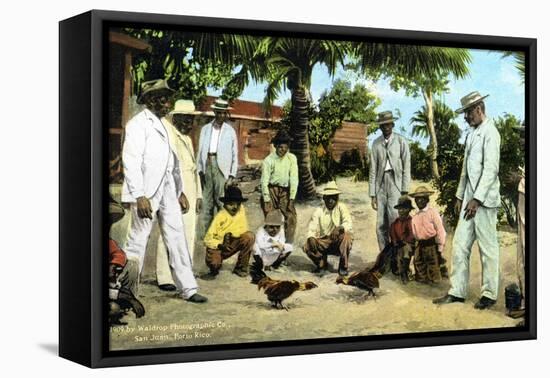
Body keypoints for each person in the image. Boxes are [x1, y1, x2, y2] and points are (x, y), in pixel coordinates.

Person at [121, 79, 207, 304]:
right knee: (137, 240)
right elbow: (130, 160)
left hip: (168, 188)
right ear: (150, 100)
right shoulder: (137, 125)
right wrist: (139, 195)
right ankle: (127, 291)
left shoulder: (165, 125)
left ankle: (188, 288)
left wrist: (179, 191)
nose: (167, 102)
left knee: (177, 237)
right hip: (146, 192)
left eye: (167, 98)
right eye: (162, 98)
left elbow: (173, 161)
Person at [433, 91, 501, 310]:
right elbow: (465, 170)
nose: (465, 117)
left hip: (484, 201)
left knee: (488, 249)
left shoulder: (491, 133)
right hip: (469, 201)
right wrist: (460, 196)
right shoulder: (472, 134)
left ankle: (489, 294)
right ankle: (457, 291)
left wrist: (477, 200)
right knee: (460, 245)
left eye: (468, 113)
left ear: (478, 109)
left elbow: (491, 170)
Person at [155, 99, 203, 292]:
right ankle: (165, 276)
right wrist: (178, 192)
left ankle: (183, 273)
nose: (188, 124)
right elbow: (167, 168)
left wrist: (198, 195)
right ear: (175, 118)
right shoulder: (169, 136)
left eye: (190, 120)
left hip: (190, 188)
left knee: (188, 233)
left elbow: (194, 170)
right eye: (184, 119)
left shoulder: (188, 139)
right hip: (174, 189)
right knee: (168, 230)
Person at [369, 110, 411, 251]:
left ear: (392, 125)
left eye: (388, 124)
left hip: (396, 183)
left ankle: (397, 256)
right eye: (383, 125)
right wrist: (373, 194)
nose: (386, 127)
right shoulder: (376, 144)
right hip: (381, 184)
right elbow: (373, 170)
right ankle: (385, 256)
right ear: (380, 127)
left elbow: (407, 166)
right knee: (380, 224)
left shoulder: (401, 141)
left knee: (395, 220)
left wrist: (404, 190)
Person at [197, 98, 238, 235]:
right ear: (214, 112)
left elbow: (234, 154)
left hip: (222, 168)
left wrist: (231, 175)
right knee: (207, 203)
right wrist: (200, 170)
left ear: (227, 114)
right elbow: (200, 150)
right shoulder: (205, 129)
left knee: (221, 202)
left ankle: (221, 234)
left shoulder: (230, 131)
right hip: (208, 164)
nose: (221, 116)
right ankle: (207, 235)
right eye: (219, 112)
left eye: (224, 113)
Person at [201, 186, 255, 280]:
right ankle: (213, 270)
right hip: (218, 246)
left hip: (231, 243)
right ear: (224, 204)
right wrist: (221, 245)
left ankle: (240, 267)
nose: (235, 207)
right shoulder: (220, 216)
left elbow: (243, 230)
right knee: (214, 263)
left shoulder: (240, 211)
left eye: (238, 204)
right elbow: (208, 239)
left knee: (249, 236)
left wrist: (230, 236)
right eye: (231, 204)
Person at [304, 181, 353, 276]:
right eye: (328, 197)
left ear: (337, 198)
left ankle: (343, 266)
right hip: (325, 241)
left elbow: (348, 223)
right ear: (324, 198)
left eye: (334, 197)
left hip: (338, 240)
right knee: (307, 245)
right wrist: (311, 237)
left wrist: (339, 228)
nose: (331, 200)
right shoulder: (318, 211)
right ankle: (321, 263)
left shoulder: (342, 207)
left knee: (347, 236)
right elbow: (312, 228)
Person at [108, 198, 144, 325]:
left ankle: (126, 303)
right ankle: (127, 301)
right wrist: (127, 297)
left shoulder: (108, 241)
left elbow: (119, 254)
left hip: (113, 286)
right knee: (113, 309)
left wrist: (113, 265)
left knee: (133, 263)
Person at [260, 130, 299, 243]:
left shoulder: (292, 158)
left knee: (291, 217)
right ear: (276, 146)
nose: (283, 150)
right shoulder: (269, 160)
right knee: (271, 219)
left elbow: (294, 179)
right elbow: (264, 181)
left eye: (286, 147)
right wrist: (267, 198)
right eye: (281, 147)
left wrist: (291, 198)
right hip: (271, 190)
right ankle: (269, 246)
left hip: (285, 191)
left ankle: (287, 245)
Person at [409, 186, 447, 284]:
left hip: (431, 243)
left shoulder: (432, 212)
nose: (419, 201)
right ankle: (422, 281)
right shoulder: (415, 216)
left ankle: (436, 281)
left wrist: (440, 247)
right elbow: (414, 232)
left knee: (433, 263)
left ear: (427, 199)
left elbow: (440, 230)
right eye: (417, 199)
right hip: (420, 244)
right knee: (418, 262)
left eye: (422, 199)